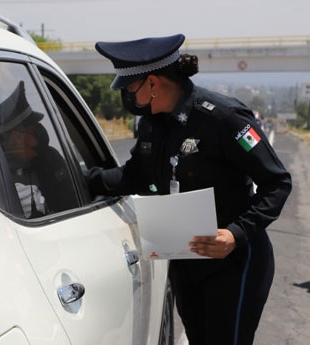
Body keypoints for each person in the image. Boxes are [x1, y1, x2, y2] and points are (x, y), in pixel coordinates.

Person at [88, 34, 292, 345]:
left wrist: (236, 234)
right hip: (185, 262)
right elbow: (134, 177)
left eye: (130, 89)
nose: (128, 98)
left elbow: (277, 182)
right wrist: (84, 179)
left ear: (153, 84)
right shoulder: (151, 124)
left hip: (233, 262)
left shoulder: (224, 118)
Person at [0, 81, 77, 218]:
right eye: (33, 128)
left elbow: (73, 197)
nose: (40, 131)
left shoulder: (50, 159)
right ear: (16, 137)